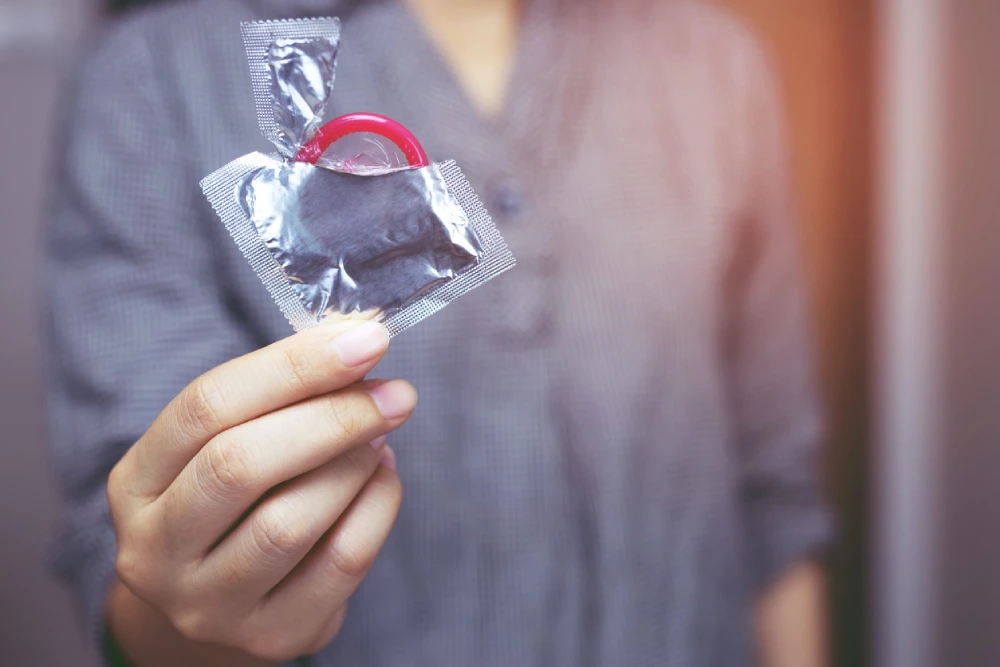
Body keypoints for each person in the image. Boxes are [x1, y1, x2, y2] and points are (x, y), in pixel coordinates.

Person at [44, 0, 832, 665]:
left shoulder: (716, 65)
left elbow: (775, 496)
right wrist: (201, 605)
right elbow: (137, 565)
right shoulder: (155, 79)